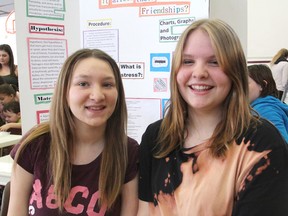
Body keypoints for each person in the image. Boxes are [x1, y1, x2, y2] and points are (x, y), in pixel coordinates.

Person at [137, 19, 288, 216]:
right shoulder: (155, 136)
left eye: (215, 62)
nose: (199, 73)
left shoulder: (262, 143)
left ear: (235, 72)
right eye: (188, 61)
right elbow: (144, 211)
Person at [7, 48, 139, 215]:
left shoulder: (128, 151)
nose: (97, 95)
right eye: (83, 84)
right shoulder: (35, 143)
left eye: (107, 84)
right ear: (64, 92)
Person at [248, 64, 288, 143]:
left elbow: (282, 146)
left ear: (263, 85)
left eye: (245, 83)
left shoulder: (265, 110)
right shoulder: (272, 104)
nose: (240, 88)